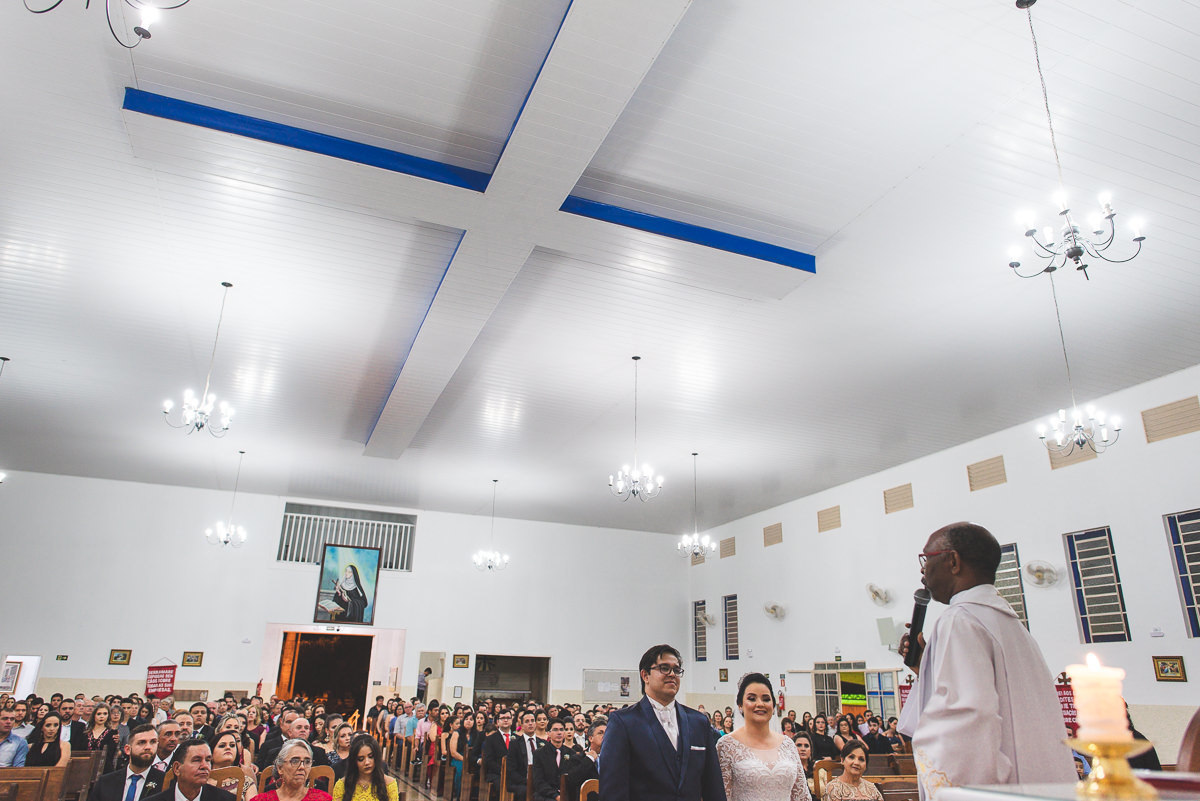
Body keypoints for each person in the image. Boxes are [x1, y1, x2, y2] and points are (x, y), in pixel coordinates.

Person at [897, 522, 1077, 800]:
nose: (923, 570)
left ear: (953, 560)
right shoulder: (1010, 625)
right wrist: (924, 670)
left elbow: (963, 727)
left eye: (926, 559)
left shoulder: (961, 619)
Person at [599, 643, 726, 801]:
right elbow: (613, 790)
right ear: (645, 675)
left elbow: (713, 786)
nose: (672, 674)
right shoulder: (624, 722)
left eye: (676, 670)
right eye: (664, 668)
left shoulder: (699, 722)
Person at [716, 673, 809, 801]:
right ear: (740, 705)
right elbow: (721, 795)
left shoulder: (787, 744)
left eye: (766, 699)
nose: (760, 704)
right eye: (752, 698)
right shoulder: (726, 745)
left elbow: (802, 795)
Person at [87, 724, 166, 801]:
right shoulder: (106, 782)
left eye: (153, 742)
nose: (148, 747)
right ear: (127, 749)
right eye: (141, 742)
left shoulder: (165, 782)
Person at [143, 739, 235, 801]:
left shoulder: (227, 799)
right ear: (177, 768)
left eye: (208, 760)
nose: (204, 766)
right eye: (196, 760)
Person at [257, 739, 331, 801]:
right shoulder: (262, 799)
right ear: (280, 768)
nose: (302, 767)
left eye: (307, 762)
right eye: (295, 761)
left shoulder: (323, 799)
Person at [331, 735, 398, 801]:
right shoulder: (342, 785)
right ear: (354, 761)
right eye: (361, 759)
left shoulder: (389, 784)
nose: (367, 762)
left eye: (371, 756)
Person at [533, 718, 583, 801]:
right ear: (548, 733)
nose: (559, 732)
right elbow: (539, 781)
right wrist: (555, 796)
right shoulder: (539, 754)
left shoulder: (572, 753)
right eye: (555, 730)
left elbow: (574, 779)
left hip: (566, 795)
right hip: (546, 795)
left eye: (561, 730)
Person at [506, 710, 547, 798]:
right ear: (522, 726)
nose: (530, 724)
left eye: (532, 721)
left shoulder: (543, 744)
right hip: (521, 781)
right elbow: (511, 770)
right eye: (527, 721)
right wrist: (528, 781)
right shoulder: (515, 744)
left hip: (540, 780)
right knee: (525, 791)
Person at [210, 730, 258, 800]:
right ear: (210, 753)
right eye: (222, 746)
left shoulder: (246, 782)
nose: (228, 748)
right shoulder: (201, 781)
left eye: (232, 745)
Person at [565, 720, 604, 801]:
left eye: (607, 733)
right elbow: (572, 780)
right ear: (590, 738)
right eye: (600, 733)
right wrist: (590, 759)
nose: (605, 736)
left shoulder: (613, 759)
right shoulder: (578, 758)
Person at [482, 709, 514, 795]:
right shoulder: (491, 739)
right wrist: (503, 770)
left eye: (508, 717)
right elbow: (489, 760)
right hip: (496, 774)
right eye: (503, 718)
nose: (506, 720)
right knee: (505, 785)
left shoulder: (517, 738)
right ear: (497, 722)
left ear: (512, 720)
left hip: (515, 774)